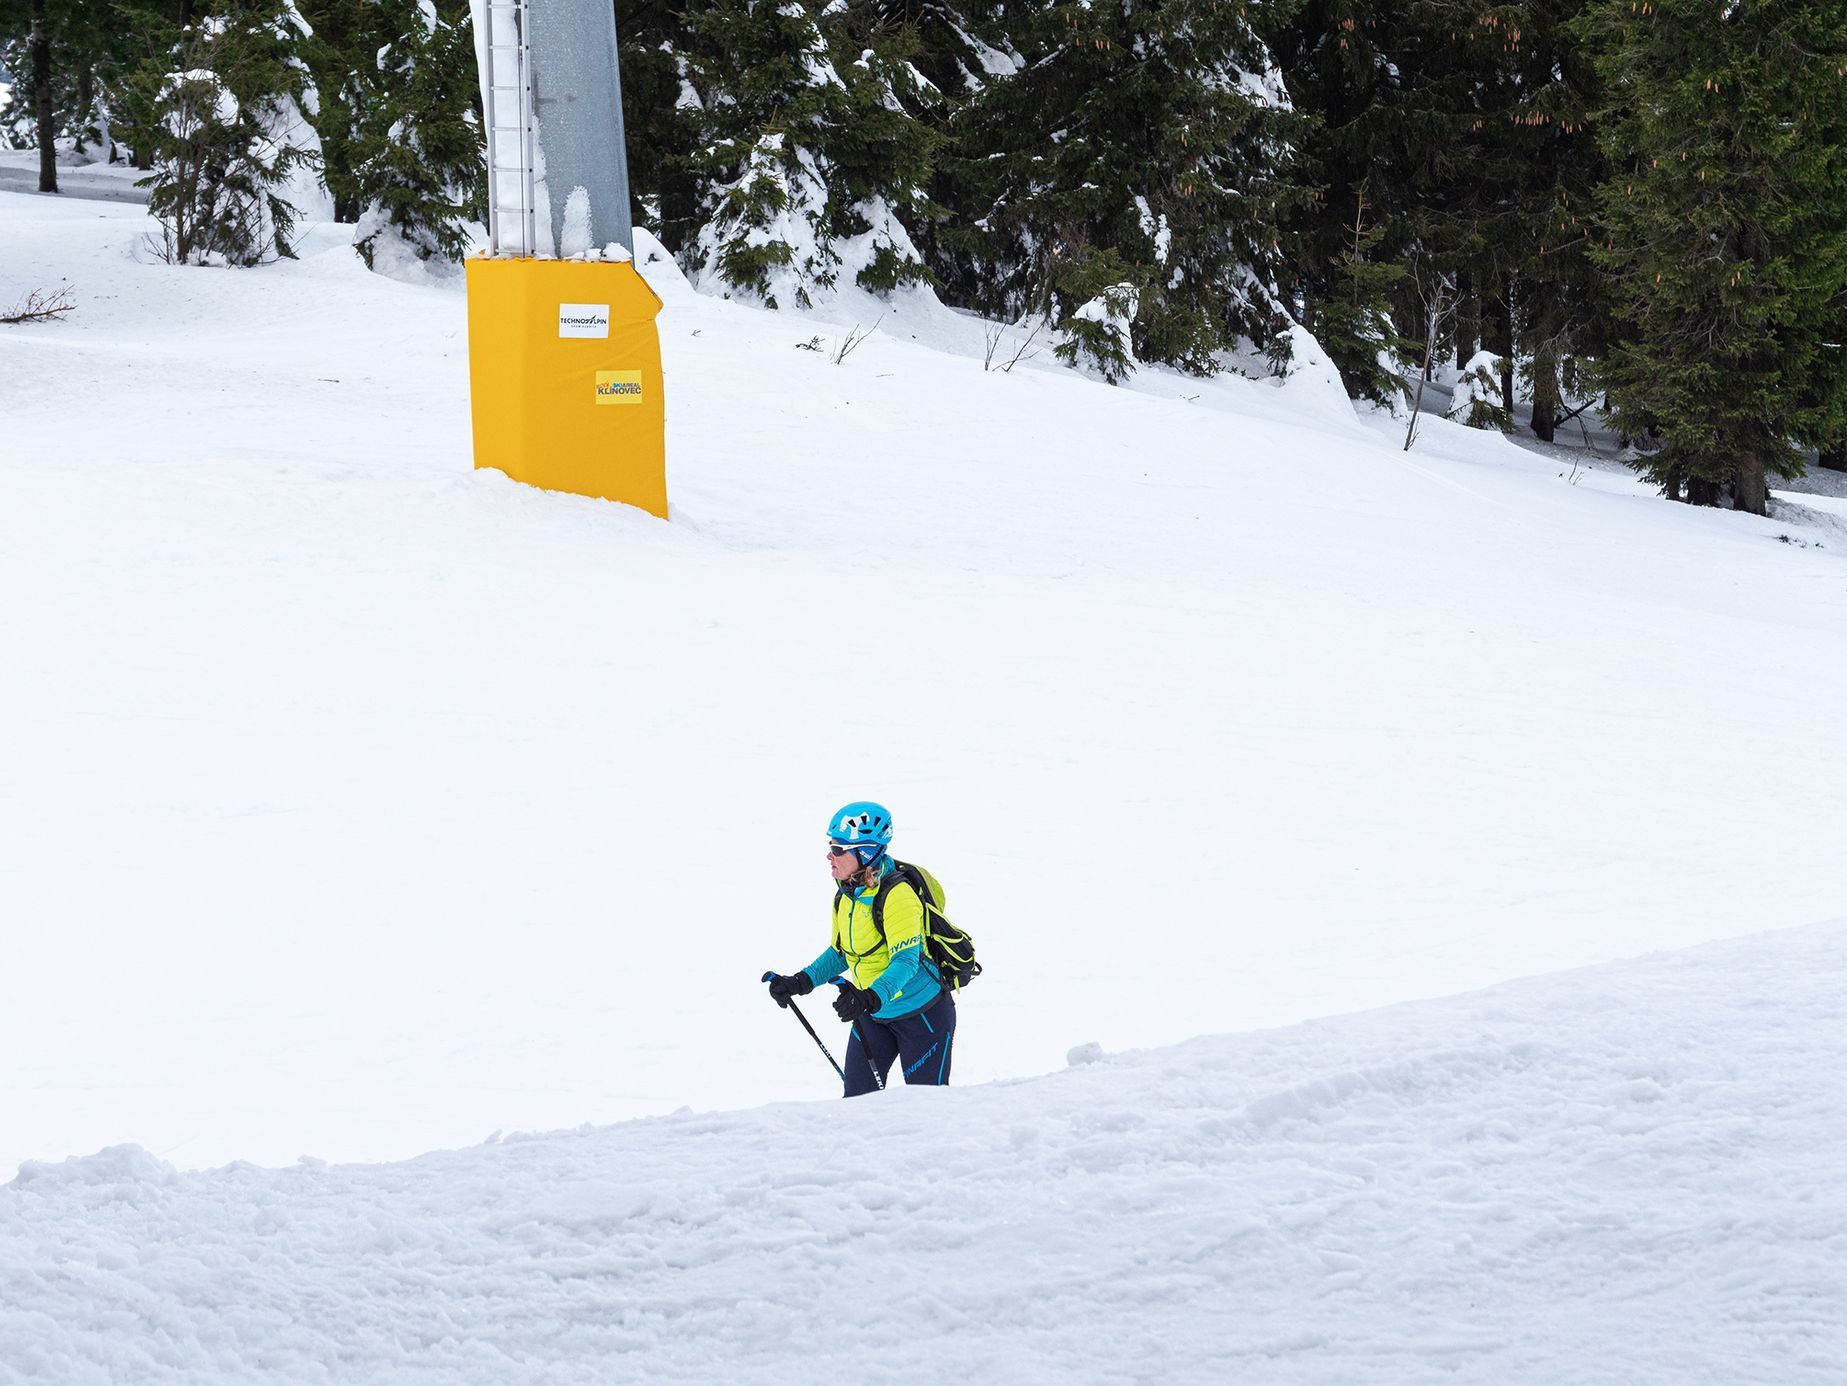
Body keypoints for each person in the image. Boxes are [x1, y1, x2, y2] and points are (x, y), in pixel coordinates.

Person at [763, 801, 956, 1097]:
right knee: (857, 1101)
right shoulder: (847, 896)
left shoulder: (898, 896)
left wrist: (869, 998)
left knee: (924, 1109)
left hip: (922, 1016)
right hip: (874, 1015)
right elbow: (842, 952)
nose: (830, 855)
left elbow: (906, 962)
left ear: (865, 853)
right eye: (831, 846)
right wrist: (801, 981)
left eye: (839, 848)